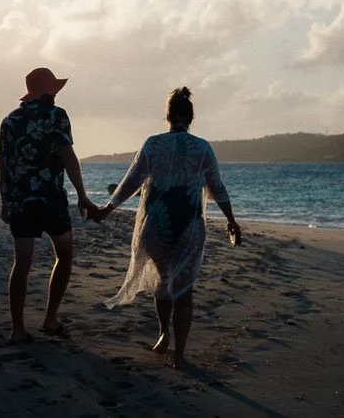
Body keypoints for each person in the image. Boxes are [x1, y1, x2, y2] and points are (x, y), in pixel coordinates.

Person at [97, 87, 241, 367]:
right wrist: (231, 220)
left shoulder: (152, 144)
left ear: (167, 116)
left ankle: (164, 334)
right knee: (183, 289)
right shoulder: (202, 148)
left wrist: (107, 209)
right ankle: (180, 353)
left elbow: (131, 181)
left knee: (163, 283)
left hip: (156, 225)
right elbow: (217, 188)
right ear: (190, 117)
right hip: (187, 227)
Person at [0, 66, 100, 344]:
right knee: (64, 254)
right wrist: (82, 194)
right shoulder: (57, 115)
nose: (56, 93)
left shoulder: (9, 121)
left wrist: (5, 201)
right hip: (51, 198)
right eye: (54, 88)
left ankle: (17, 329)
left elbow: (3, 167)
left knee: (22, 264)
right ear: (47, 90)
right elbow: (67, 154)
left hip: (20, 201)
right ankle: (50, 318)